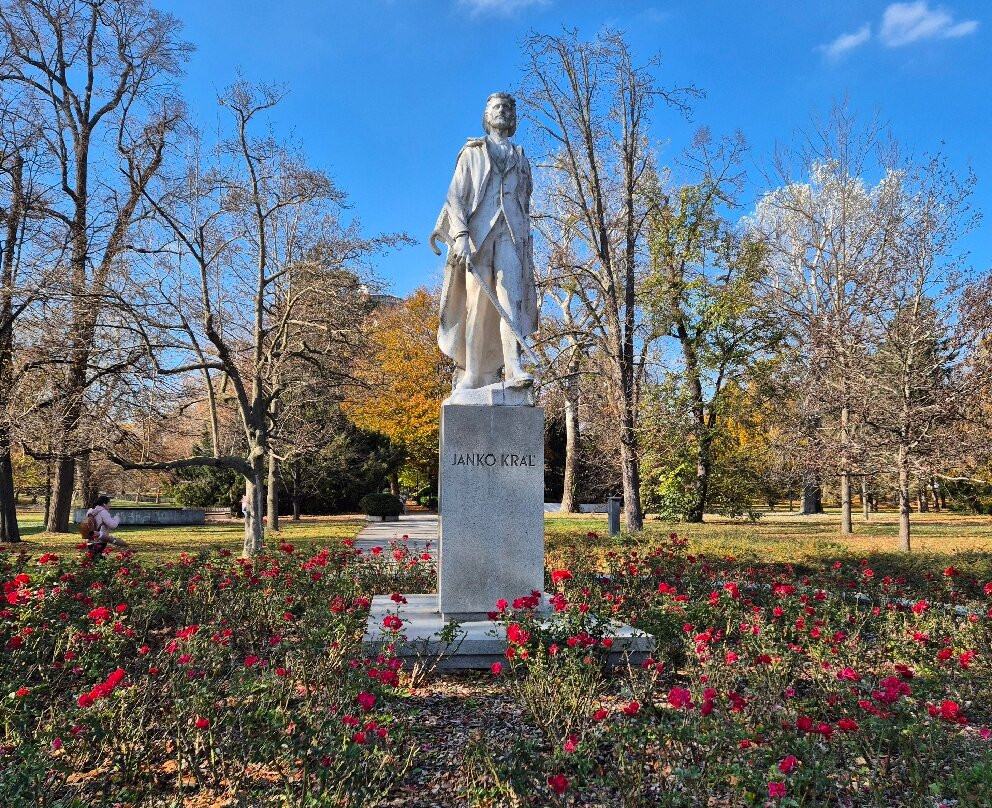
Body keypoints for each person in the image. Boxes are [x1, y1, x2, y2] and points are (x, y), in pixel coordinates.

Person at [431, 92, 538, 394]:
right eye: (496, 107)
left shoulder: (520, 157)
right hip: (478, 235)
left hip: (511, 235)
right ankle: (473, 373)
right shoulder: (473, 152)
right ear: (487, 115)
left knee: (511, 301)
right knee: (476, 305)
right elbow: (455, 196)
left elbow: (524, 201)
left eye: (507, 108)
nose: (502, 111)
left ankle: (514, 368)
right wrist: (461, 235)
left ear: (513, 117)